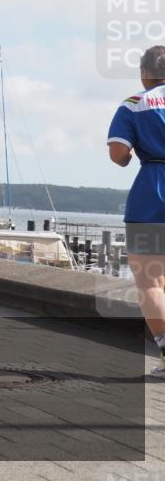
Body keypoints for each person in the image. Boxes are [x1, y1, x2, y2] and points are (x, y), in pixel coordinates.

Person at [108, 45, 165, 377]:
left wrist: (133, 154)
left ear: (144, 74)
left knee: (151, 283)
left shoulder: (133, 104)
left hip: (151, 196)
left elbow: (118, 154)